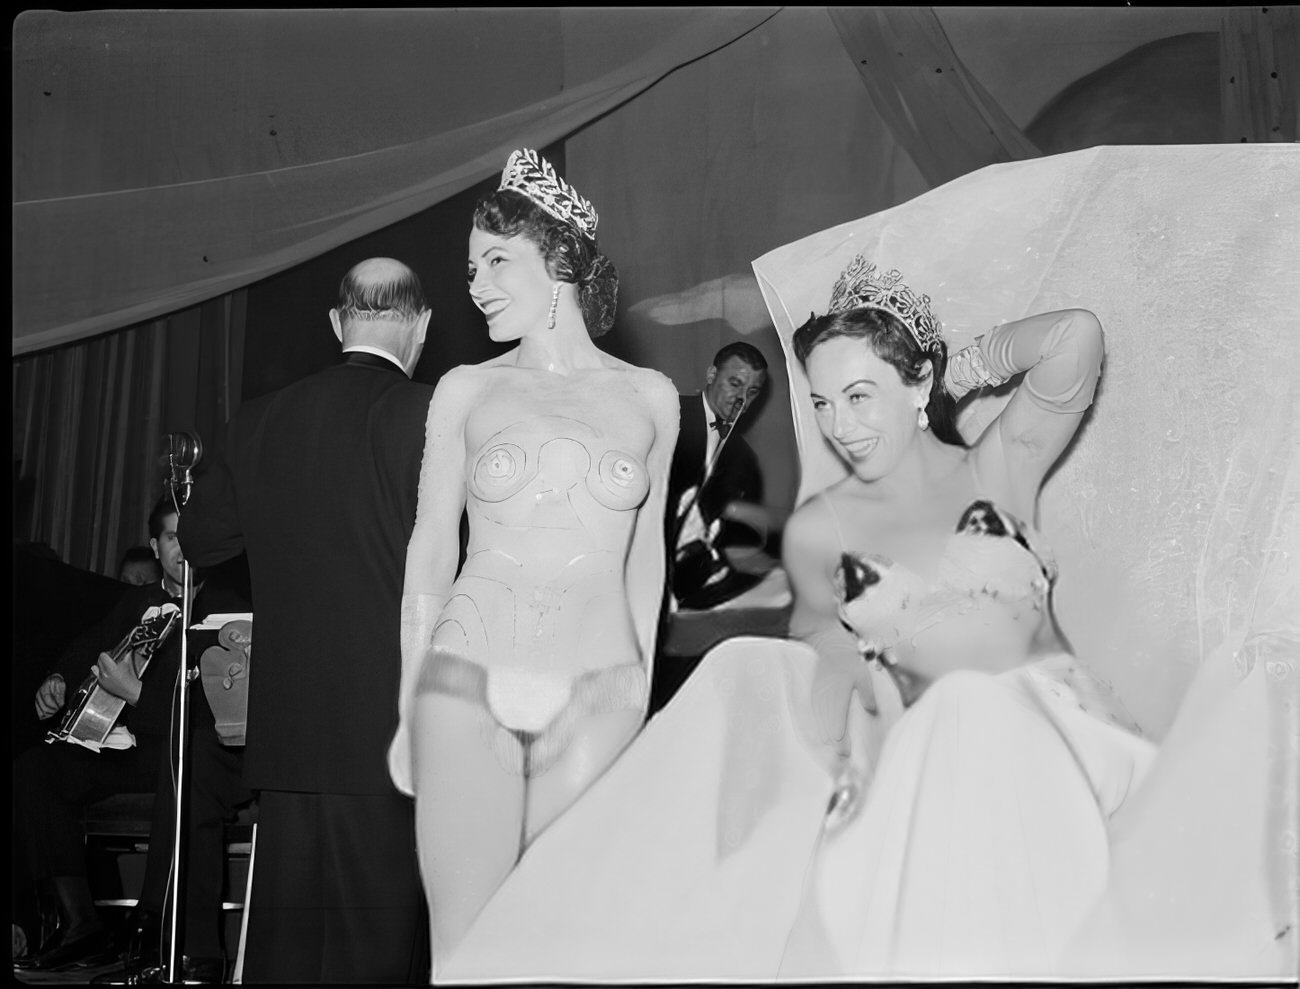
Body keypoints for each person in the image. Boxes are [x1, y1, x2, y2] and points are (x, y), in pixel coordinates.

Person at [427, 252, 1290, 982]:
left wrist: (962, 364)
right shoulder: (820, 528)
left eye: (861, 396)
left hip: (1067, 756)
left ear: (919, 384)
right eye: (825, 402)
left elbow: (1077, 340)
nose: (840, 425)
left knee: (988, 715)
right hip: (927, 781)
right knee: (923, 716)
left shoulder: (1000, 468)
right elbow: (820, 666)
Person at [388, 148, 679, 968]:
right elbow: (431, 549)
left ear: (558, 265)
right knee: (467, 945)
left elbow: (645, 563)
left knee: (574, 935)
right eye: (471, 265)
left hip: (599, 685)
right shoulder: (466, 390)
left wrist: (642, 694)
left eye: (495, 261)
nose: (475, 283)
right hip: (466, 676)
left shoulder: (650, 399)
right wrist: (411, 700)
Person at [176, 258, 433, 984]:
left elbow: (200, 540)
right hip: (389, 732)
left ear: (335, 322)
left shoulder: (260, 418)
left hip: (287, 735)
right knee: (377, 956)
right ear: (422, 326)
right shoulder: (429, 414)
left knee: (285, 957)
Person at [14, 496, 188, 972]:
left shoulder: (221, 604)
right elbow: (88, 645)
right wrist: (58, 679)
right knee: (38, 769)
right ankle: (79, 925)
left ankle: (155, 937)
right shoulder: (139, 600)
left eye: (188, 534)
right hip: (126, 751)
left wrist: (134, 693)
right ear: (156, 546)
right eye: (172, 536)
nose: (181, 546)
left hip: (181, 755)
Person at [665, 342, 774, 611]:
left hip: (692, 593)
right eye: (734, 383)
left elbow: (741, 539)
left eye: (752, 392)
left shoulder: (744, 460)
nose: (741, 399)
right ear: (712, 375)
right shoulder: (667, 415)